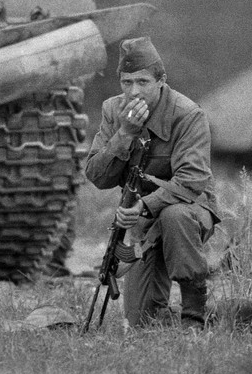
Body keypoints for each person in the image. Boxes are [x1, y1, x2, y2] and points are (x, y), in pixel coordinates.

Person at [84, 38, 221, 328]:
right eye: (126, 82)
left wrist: (146, 205)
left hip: (189, 210)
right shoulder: (113, 111)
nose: (134, 91)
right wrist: (123, 134)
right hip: (143, 223)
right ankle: (216, 315)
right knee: (141, 321)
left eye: (143, 82)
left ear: (161, 81)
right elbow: (97, 176)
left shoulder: (187, 115)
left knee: (175, 216)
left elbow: (192, 180)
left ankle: (194, 316)